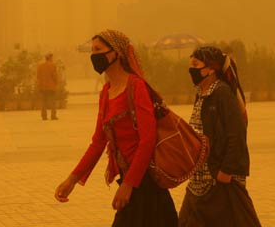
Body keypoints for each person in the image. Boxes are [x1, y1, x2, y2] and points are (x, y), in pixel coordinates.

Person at [54, 30, 177, 226]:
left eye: (98, 49)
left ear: (117, 53)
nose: (94, 55)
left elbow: (147, 140)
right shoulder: (106, 92)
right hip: (128, 179)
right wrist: (71, 180)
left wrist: (129, 184)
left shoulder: (136, 87)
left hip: (146, 183)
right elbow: (98, 142)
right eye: (92, 50)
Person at [179, 46, 260, 227]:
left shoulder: (222, 93)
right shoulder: (201, 94)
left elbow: (237, 134)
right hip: (200, 179)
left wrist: (226, 170)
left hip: (220, 178)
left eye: (195, 65)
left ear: (210, 69)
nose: (191, 70)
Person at [37, 53, 59, 120]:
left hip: (42, 86)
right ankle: (53, 116)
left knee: (43, 102)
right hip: (51, 87)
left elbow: (38, 76)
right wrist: (56, 83)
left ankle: (44, 116)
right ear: (50, 58)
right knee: (52, 102)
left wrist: (39, 85)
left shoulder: (40, 66)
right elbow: (54, 76)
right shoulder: (53, 65)